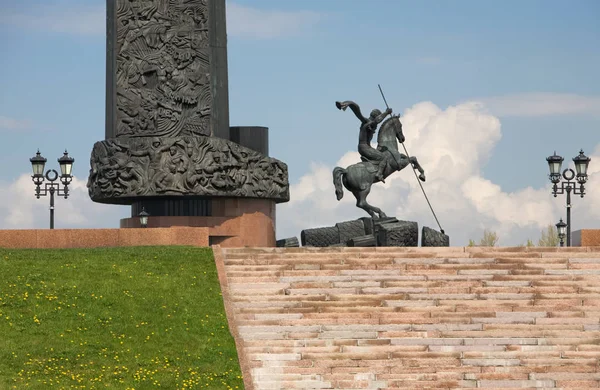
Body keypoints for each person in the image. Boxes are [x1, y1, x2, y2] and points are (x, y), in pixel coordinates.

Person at [336, 100, 392, 182]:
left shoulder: (367, 122)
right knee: (384, 158)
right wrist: (386, 113)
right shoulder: (368, 123)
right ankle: (379, 174)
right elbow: (377, 121)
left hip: (365, 147)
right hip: (364, 147)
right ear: (376, 116)